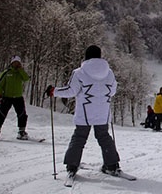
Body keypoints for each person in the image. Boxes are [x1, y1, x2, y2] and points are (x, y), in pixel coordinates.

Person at [45, 45, 123, 178]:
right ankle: (112, 165)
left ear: (86, 56)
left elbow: (71, 91)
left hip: (85, 112)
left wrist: (54, 91)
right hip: (103, 112)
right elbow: (113, 91)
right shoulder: (109, 73)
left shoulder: (79, 72)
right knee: (104, 137)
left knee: (80, 137)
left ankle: (72, 165)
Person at [0, 55, 31, 141]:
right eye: (15, 62)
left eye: (18, 62)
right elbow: (0, 84)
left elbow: (26, 79)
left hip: (18, 97)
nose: (16, 64)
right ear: (11, 63)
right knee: (1, 114)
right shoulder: (6, 73)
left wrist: (21, 70)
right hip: (7, 97)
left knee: (22, 114)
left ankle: (21, 132)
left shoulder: (21, 73)